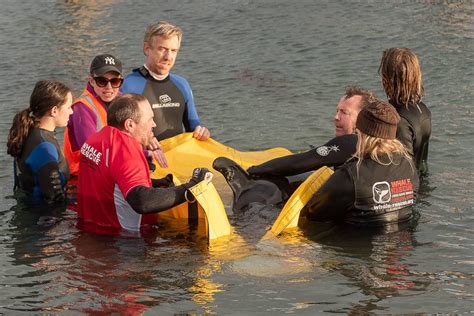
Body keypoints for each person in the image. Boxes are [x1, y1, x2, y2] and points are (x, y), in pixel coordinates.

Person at [77, 93, 210, 235]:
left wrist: (155, 183)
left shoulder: (97, 139)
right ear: (130, 125)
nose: (154, 124)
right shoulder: (126, 149)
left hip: (90, 232)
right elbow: (142, 201)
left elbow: (110, 180)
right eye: (150, 119)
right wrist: (191, 188)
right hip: (123, 241)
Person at [304, 100, 419, 226]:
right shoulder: (409, 166)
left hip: (355, 242)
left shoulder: (350, 175)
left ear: (361, 134)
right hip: (404, 241)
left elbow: (312, 212)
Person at [64, 54, 167, 181]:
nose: (109, 87)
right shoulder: (81, 109)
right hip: (85, 178)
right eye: (102, 81)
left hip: (115, 170)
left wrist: (148, 137)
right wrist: (143, 154)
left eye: (114, 81)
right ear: (91, 81)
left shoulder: (122, 99)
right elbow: (93, 153)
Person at [247, 86, 375, 179]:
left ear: (362, 117)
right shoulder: (379, 141)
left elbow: (300, 162)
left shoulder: (351, 142)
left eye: (344, 112)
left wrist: (254, 170)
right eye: (337, 111)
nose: (336, 117)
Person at [121, 21, 210, 141]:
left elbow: (194, 128)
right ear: (147, 49)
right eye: (162, 49)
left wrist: (202, 132)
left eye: (174, 51)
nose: (168, 57)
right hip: (144, 157)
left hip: (177, 157)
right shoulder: (128, 86)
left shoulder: (182, 84)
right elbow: (120, 135)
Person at [7, 80, 73, 203]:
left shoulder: (28, 133)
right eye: (68, 107)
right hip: (43, 217)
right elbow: (54, 198)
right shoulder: (44, 148)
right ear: (54, 111)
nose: (71, 111)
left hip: (30, 210)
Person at [379, 47, 431, 175]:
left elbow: (402, 170)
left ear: (387, 80)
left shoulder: (396, 120)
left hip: (407, 189)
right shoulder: (423, 110)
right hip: (422, 183)